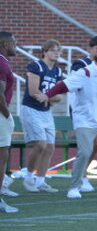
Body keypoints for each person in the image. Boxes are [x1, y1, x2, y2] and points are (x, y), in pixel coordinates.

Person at [39, 42, 97, 199]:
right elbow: (63, 85)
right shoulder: (85, 72)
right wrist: (47, 95)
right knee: (84, 152)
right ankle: (74, 187)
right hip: (85, 120)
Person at [20, 40, 64, 194]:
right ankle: (28, 177)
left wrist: (47, 97)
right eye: (53, 50)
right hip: (31, 109)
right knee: (40, 145)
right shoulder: (36, 66)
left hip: (46, 111)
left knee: (50, 147)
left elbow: (60, 96)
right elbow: (33, 92)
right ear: (44, 52)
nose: (56, 53)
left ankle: (41, 181)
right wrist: (50, 97)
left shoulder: (57, 71)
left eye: (58, 50)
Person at [70, 36, 97, 194]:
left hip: (96, 111)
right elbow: (73, 86)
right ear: (91, 48)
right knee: (87, 145)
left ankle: (82, 173)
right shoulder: (80, 64)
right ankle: (81, 178)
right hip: (82, 110)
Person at [0, 31, 19, 213]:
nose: (16, 46)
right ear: (5, 44)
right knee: (1, 157)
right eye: (13, 42)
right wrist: (6, 113)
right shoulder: (1, 63)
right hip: (0, 114)